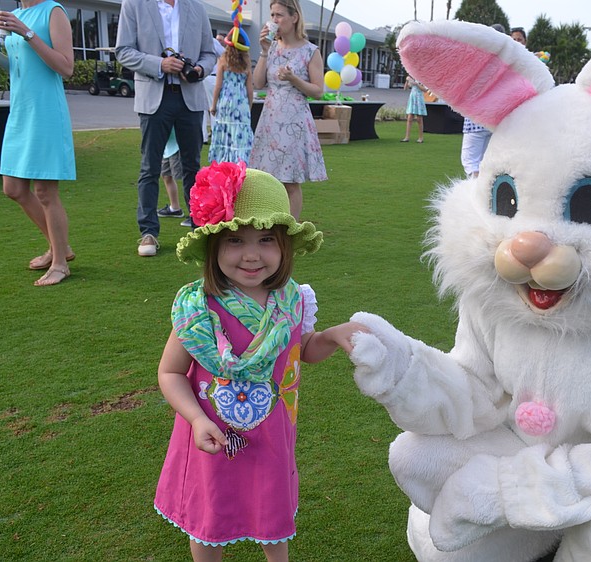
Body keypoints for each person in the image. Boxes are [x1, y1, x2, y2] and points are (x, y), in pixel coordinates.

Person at [154, 161, 364, 561]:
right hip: (210, 437)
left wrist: (331, 336)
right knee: (208, 518)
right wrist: (196, 419)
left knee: (271, 512)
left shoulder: (293, 300)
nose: (251, 255)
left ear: (284, 246)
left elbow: (302, 351)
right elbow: (170, 372)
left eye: (266, 239)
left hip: (271, 436)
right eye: (235, 240)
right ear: (213, 246)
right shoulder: (198, 308)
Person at [0, 2, 77, 286]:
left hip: (45, 111)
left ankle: (60, 263)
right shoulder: (18, 14)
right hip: (21, 111)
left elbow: (66, 67)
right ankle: (60, 247)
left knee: (45, 191)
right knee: (13, 188)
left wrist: (26, 33)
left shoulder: (52, 11)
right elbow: (17, 67)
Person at [115, 0, 216, 256]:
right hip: (154, 97)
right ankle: (148, 232)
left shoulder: (197, 8)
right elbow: (123, 51)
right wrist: (158, 64)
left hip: (190, 96)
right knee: (150, 167)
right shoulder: (134, 5)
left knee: (193, 167)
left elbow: (209, 53)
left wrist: (200, 69)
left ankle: (199, 228)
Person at [249, 0, 326, 220]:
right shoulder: (272, 47)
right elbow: (258, 83)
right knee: (267, 178)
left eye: (279, 15)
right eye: (272, 15)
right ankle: (270, 225)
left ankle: (289, 229)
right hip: (270, 119)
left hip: (294, 121)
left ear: (294, 17)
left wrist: (294, 79)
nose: (274, 20)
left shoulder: (310, 51)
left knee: (290, 181)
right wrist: (264, 52)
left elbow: (318, 91)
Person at [460, 24, 506, 178]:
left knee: (470, 162)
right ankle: (484, 189)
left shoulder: (479, 57)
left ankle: (477, 190)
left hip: (476, 118)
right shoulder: (505, 60)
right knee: (484, 162)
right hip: (493, 119)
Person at [207, 41, 253, 165]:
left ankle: (222, 163)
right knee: (240, 134)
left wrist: (213, 105)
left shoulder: (223, 60)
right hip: (241, 103)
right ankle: (240, 163)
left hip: (225, 102)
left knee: (224, 132)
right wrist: (249, 106)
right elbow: (249, 89)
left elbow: (218, 86)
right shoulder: (246, 62)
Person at [202, 31, 226, 140]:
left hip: (202, 77)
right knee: (213, 106)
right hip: (211, 77)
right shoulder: (211, 41)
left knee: (202, 107)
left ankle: (203, 136)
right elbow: (224, 54)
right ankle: (215, 133)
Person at [157, 128, 185, 219]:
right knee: (166, 176)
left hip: (178, 145)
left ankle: (196, 212)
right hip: (167, 147)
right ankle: (175, 208)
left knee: (186, 178)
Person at [401, 74, 427, 143]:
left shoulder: (422, 78)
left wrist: (416, 84)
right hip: (412, 98)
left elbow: (425, 90)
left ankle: (421, 138)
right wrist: (407, 80)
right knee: (409, 118)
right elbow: (405, 89)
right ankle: (407, 137)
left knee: (419, 119)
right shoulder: (412, 77)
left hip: (419, 98)